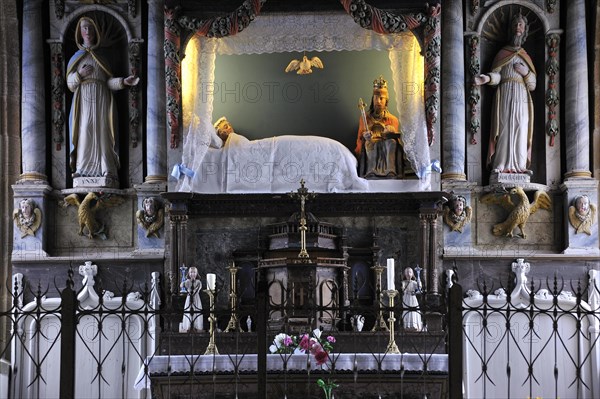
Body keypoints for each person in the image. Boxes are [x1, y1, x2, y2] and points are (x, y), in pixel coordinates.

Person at [67, 16, 139, 181]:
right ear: (80, 32)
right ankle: (81, 169)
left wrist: (123, 81)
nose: (87, 31)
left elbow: (108, 82)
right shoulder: (76, 57)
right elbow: (70, 85)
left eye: (90, 28)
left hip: (102, 99)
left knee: (103, 133)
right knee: (85, 132)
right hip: (83, 100)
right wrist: (79, 74)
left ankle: (108, 170)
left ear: (96, 32)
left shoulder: (103, 58)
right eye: (84, 28)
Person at [474, 13, 536, 174]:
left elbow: (533, 84)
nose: (518, 28)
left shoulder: (525, 56)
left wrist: (526, 72)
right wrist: (486, 78)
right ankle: (501, 164)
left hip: (522, 96)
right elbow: (497, 76)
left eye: (521, 25)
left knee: (521, 127)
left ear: (525, 30)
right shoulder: (502, 53)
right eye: (515, 25)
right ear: (510, 30)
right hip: (505, 93)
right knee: (504, 126)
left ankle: (521, 166)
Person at [355, 76, 406, 178]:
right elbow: (360, 137)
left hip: (386, 142)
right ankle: (371, 171)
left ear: (386, 101)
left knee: (392, 143)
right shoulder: (365, 118)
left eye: (381, 98)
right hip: (371, 142)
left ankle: (391, 171)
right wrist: (365, 135)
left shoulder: (393, 119)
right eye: (376, 98)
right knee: (370, 144)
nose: (378, 101)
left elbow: (395, 136)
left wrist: (390, 131)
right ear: (372, 100)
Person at [180, 266, 204, 332]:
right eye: (191, 272)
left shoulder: (198, 282)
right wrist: (183, 281)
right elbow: (181, 286)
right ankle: (188, 326)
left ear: (196, 273)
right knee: (188, 310)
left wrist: (193, 291)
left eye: (194, 272)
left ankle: (197, 326)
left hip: (196, 297)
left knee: (196, 310)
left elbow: (198, 289)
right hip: (189, 298)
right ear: (189, 273)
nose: (192, 274)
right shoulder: (187, 281)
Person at [401, 267, 422, 332]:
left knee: (413, 311)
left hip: (413, 299)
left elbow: (419, 288)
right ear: (404, 274)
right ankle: (407, 325)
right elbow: (402, 289)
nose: (408, 274)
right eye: (406, 272)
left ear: (412, 274)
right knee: (406, 311)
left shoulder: (414, 282)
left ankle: (414, 325)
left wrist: (418, 275)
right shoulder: (403, 282)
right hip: (406, 298)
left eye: (410, 272)